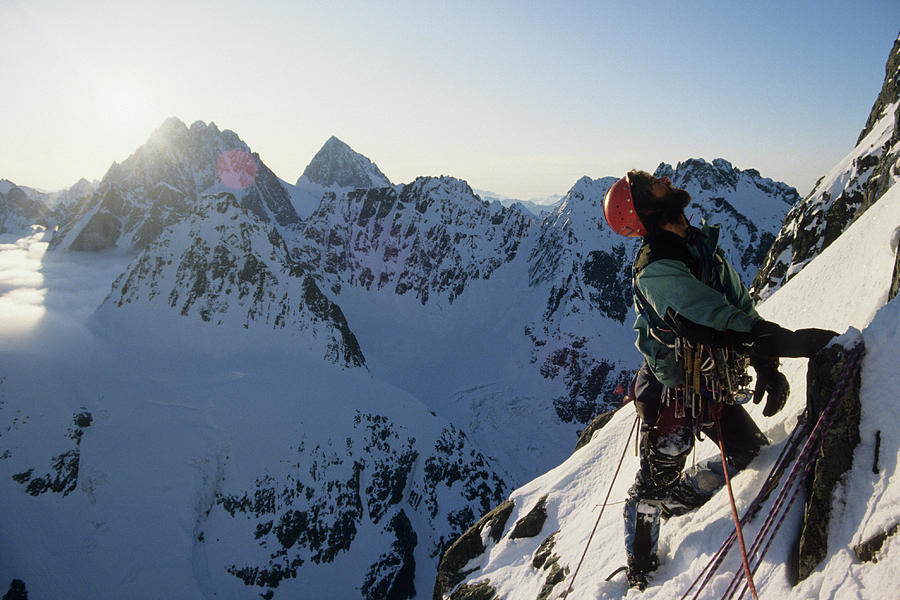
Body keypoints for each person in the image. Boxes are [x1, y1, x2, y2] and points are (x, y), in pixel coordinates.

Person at [602, 170, 837, 590]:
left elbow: (738, 307)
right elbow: (713, 320)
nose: (664, 178)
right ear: (648, 208)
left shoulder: (697, 243)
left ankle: (678, 499)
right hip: (673, 390)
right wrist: (791, 344)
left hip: (708, 380)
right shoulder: (656, 268)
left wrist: (767, 361)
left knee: (748, 451)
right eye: (652, 181)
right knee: (652, 486)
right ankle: (641, 569)